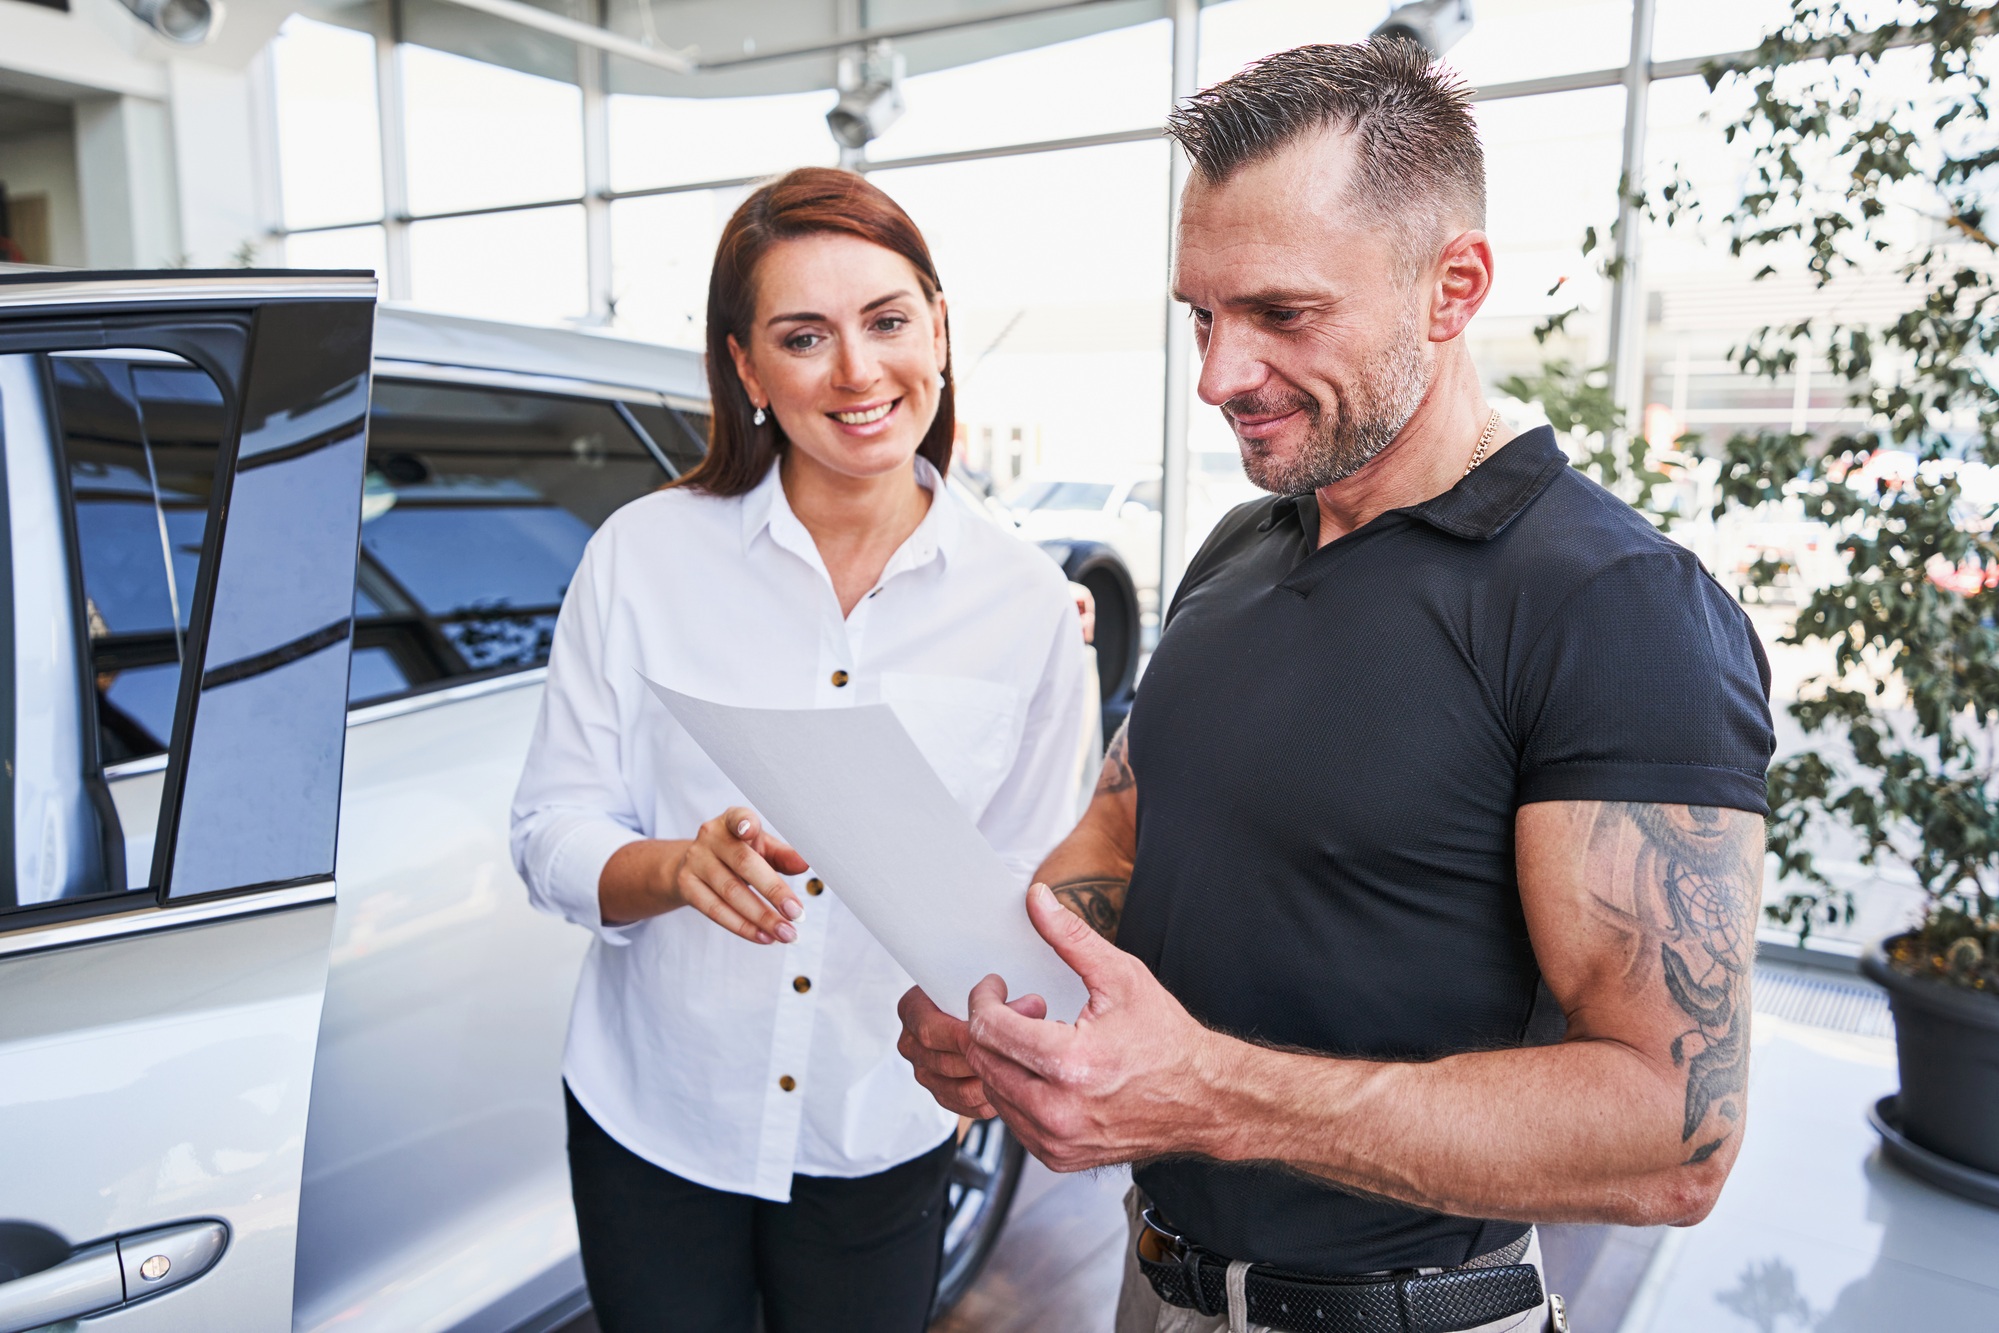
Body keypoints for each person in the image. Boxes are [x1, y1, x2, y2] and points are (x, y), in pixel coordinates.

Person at [898, 40, 1776, 1333]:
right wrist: (997, 999)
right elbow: (1126, 834)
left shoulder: (1616, 609)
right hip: (1160, 1288)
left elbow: (1675, 1135)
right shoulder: (1242, 547)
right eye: (1203, 314)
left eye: (1282, 315)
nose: (1217, 375)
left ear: (1452, 287)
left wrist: (1211, 1093)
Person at [510, 166, 1092, 1333]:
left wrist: (1008, 1036)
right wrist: (674, 867)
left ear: (937, 323)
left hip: (876, 1120)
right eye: (803, 336)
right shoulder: (642, 556)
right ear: (745, 368)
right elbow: (547, 833)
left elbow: (1036, 891)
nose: (858, 372)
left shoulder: (1027, 604)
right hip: (655, 1109)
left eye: (886, 321)